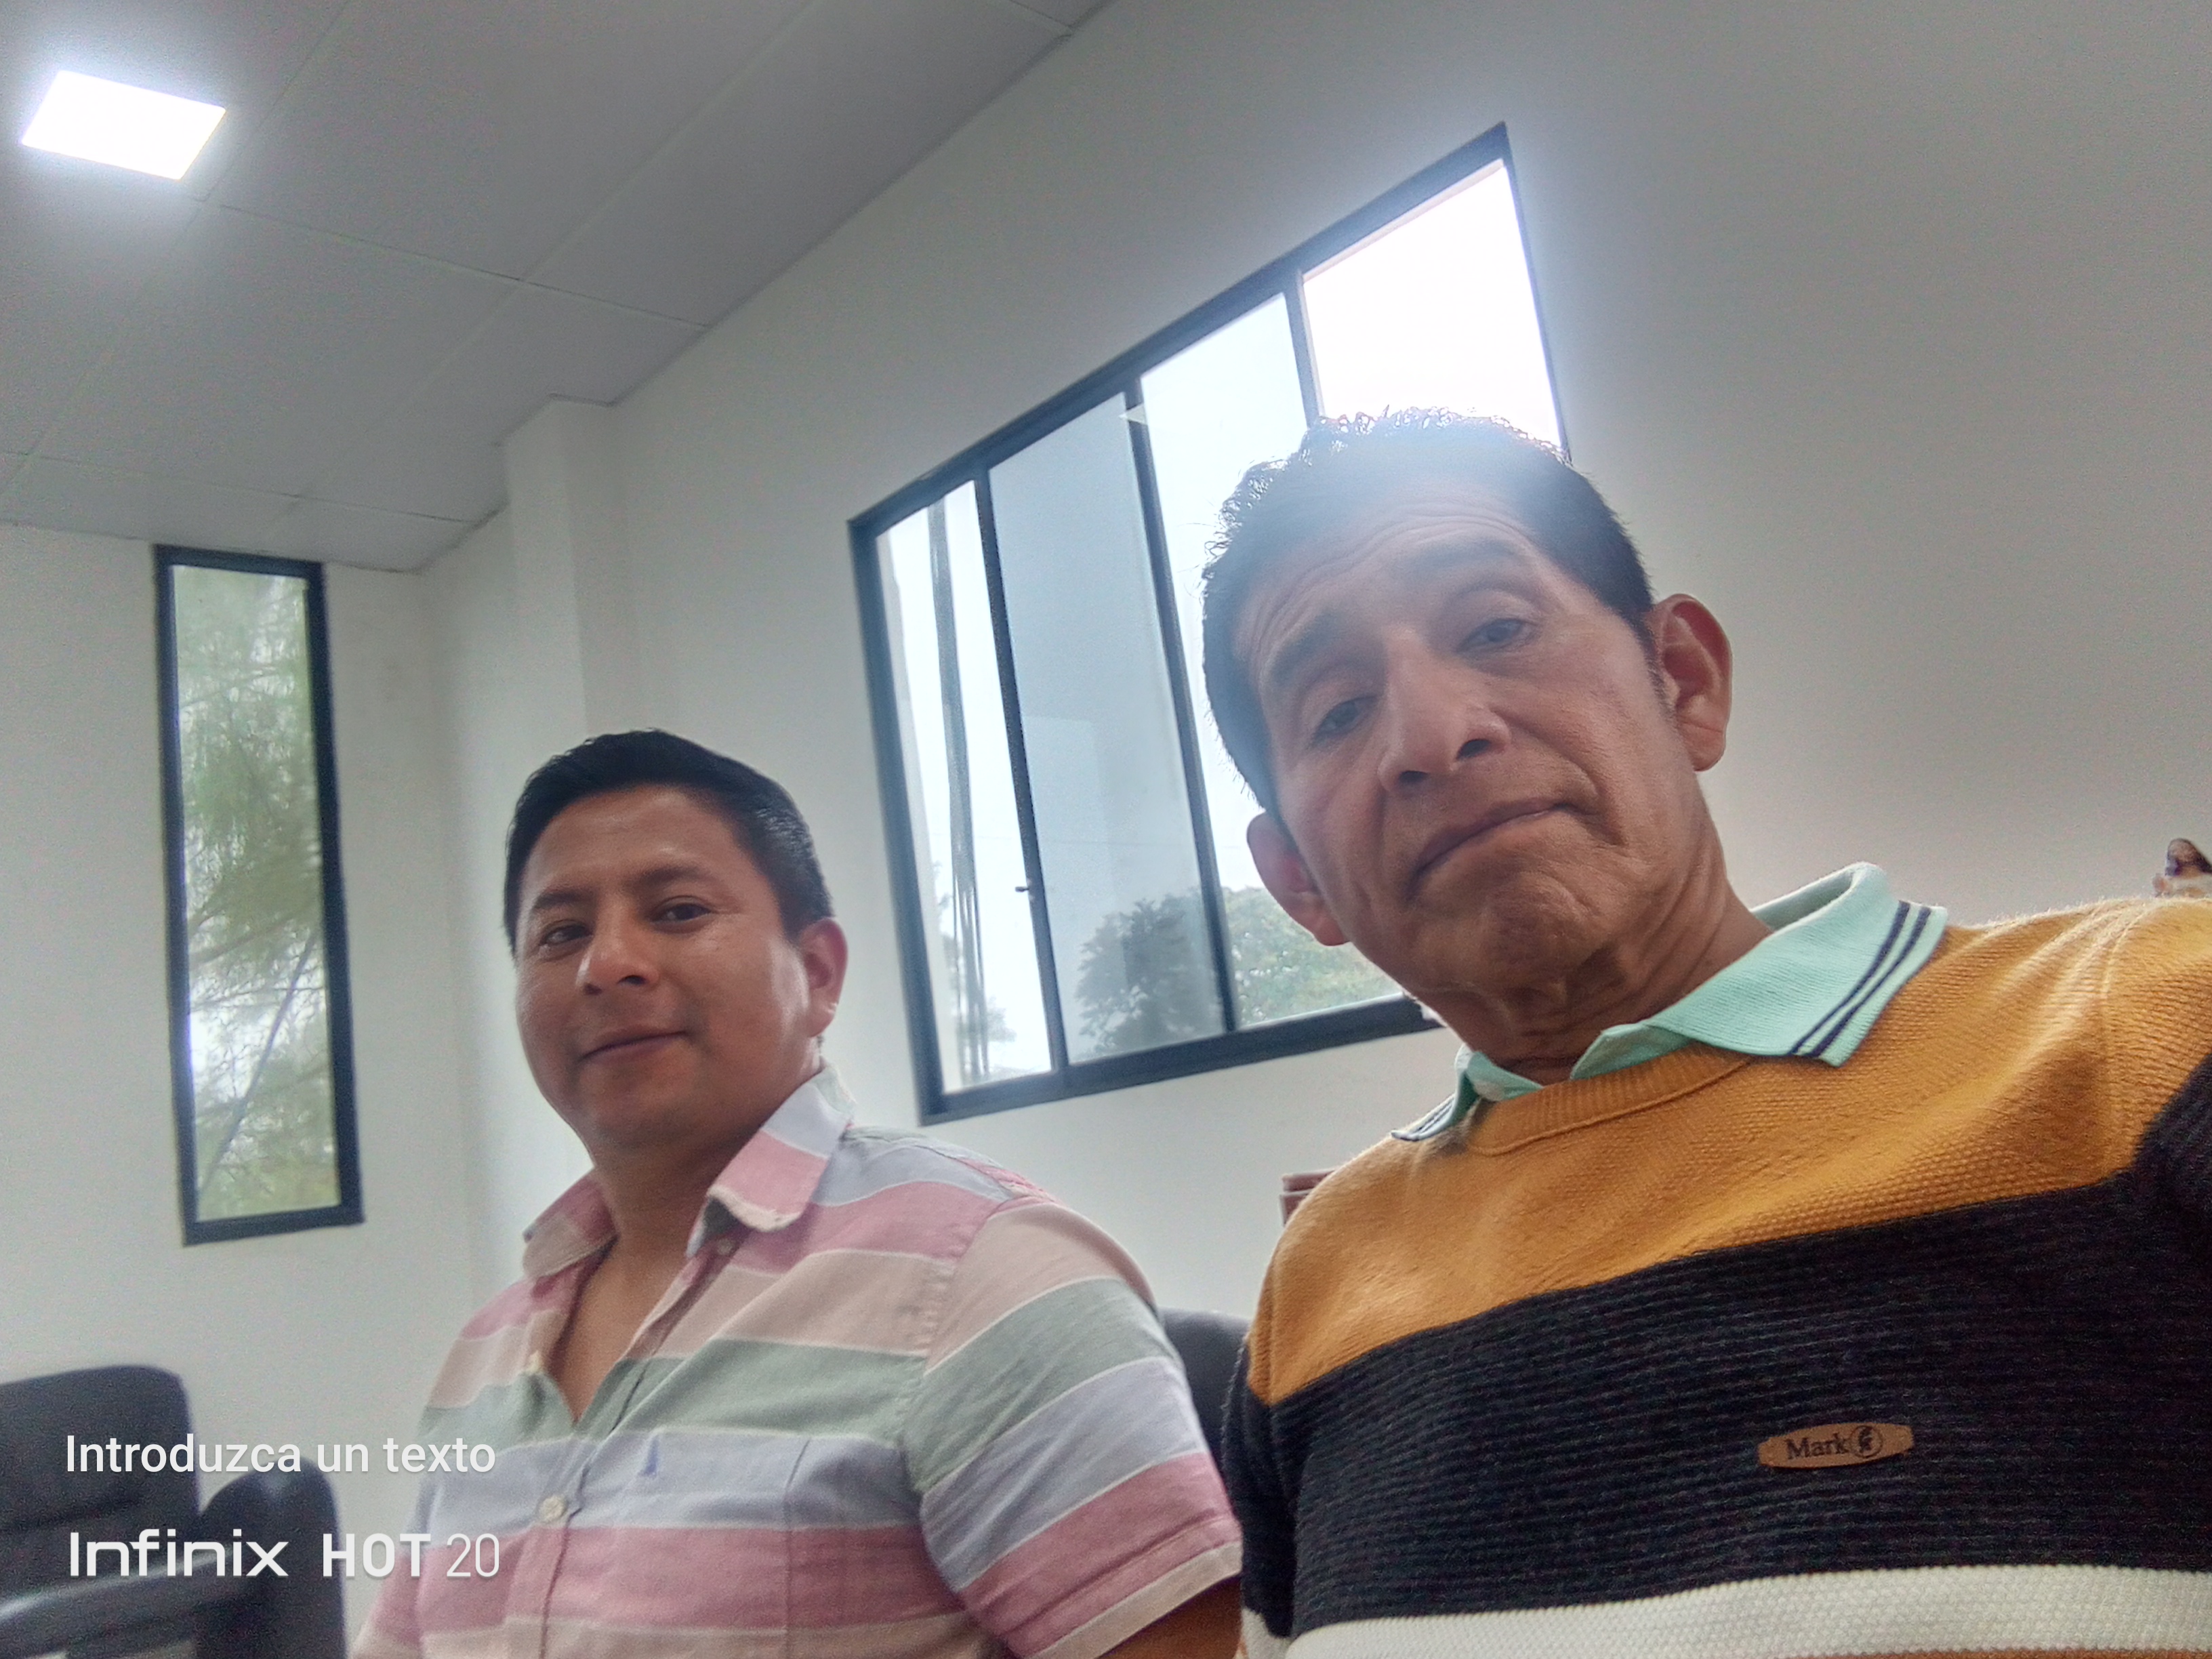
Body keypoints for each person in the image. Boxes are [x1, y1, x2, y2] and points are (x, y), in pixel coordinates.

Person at [1198, 411, 2212, 1657]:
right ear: (1297, 881)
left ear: (1683, 681)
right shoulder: (1318, 1286)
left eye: (1497, 629)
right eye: (1339, 709)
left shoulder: (2158, 1024)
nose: (1432, 736)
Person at [357, 731, 1240, 1659]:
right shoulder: (483, 1360)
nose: (606, 964)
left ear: (818, 974)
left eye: (678, 911)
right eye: (561, 934)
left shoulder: (989, 1276)